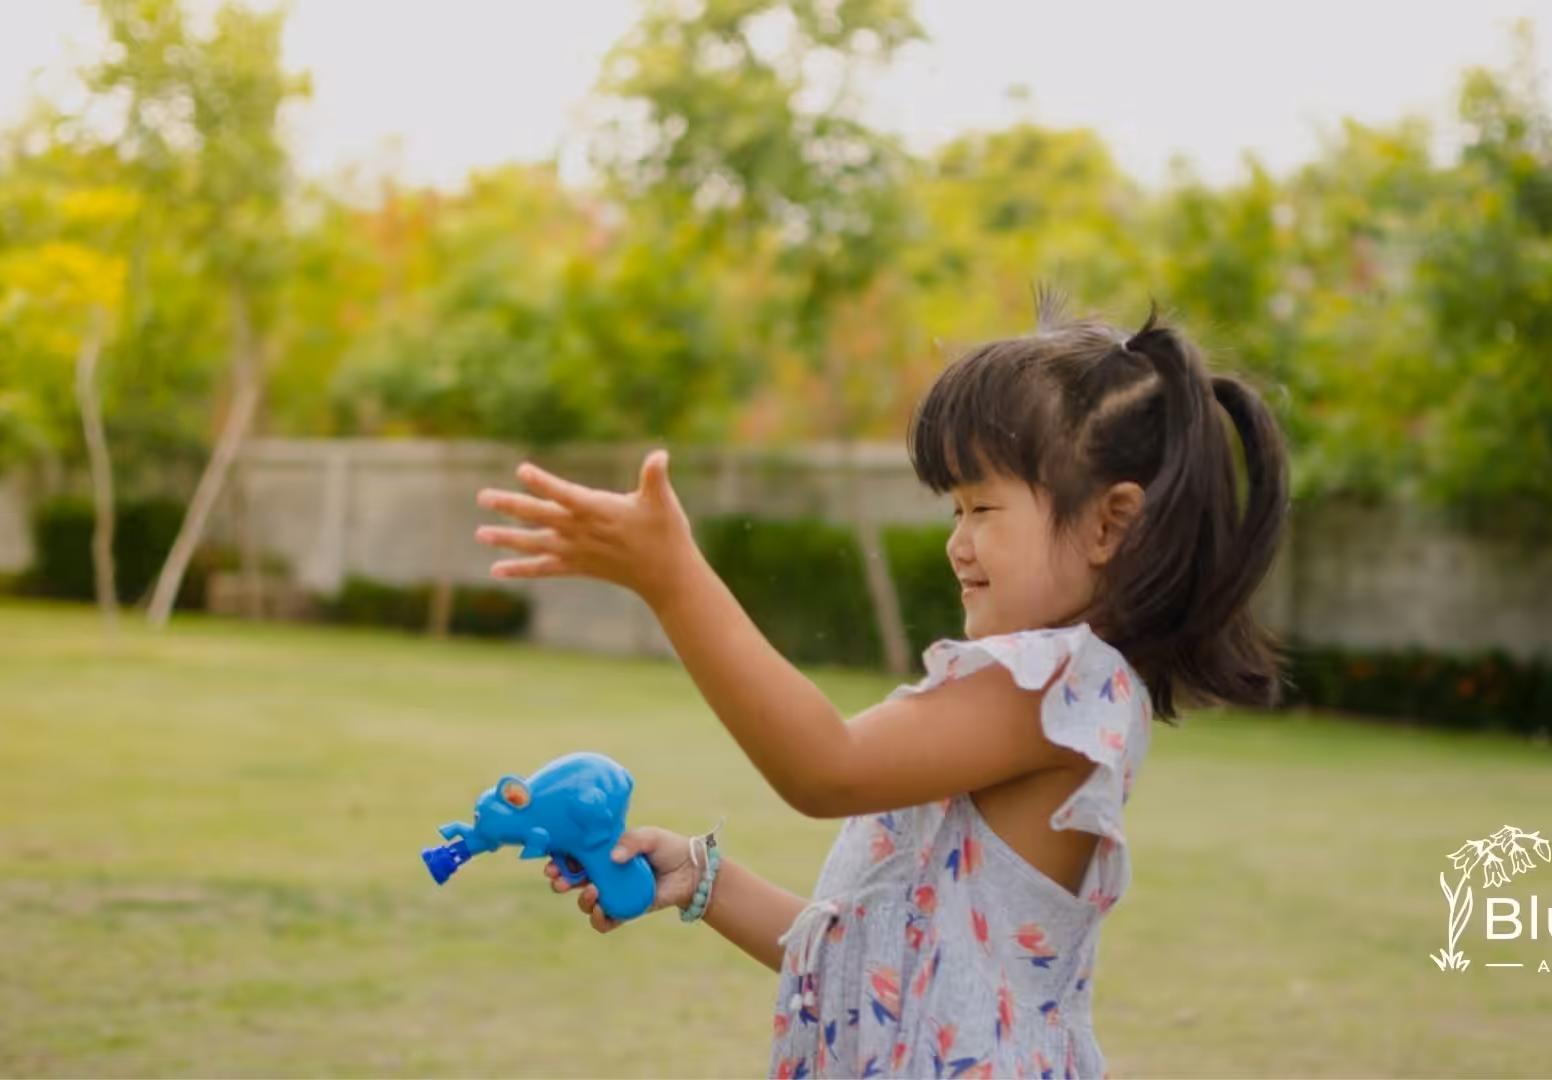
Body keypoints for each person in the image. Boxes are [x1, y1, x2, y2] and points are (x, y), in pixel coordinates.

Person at [473, 291, 1291, 1079]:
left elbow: (824, 768)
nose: (957, 544)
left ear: (1109, 523)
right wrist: (706, 880)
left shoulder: (1055, 690)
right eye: (954, 512)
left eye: (984, 509)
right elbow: (879, 973)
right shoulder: (1034, 699)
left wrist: (672, 579)